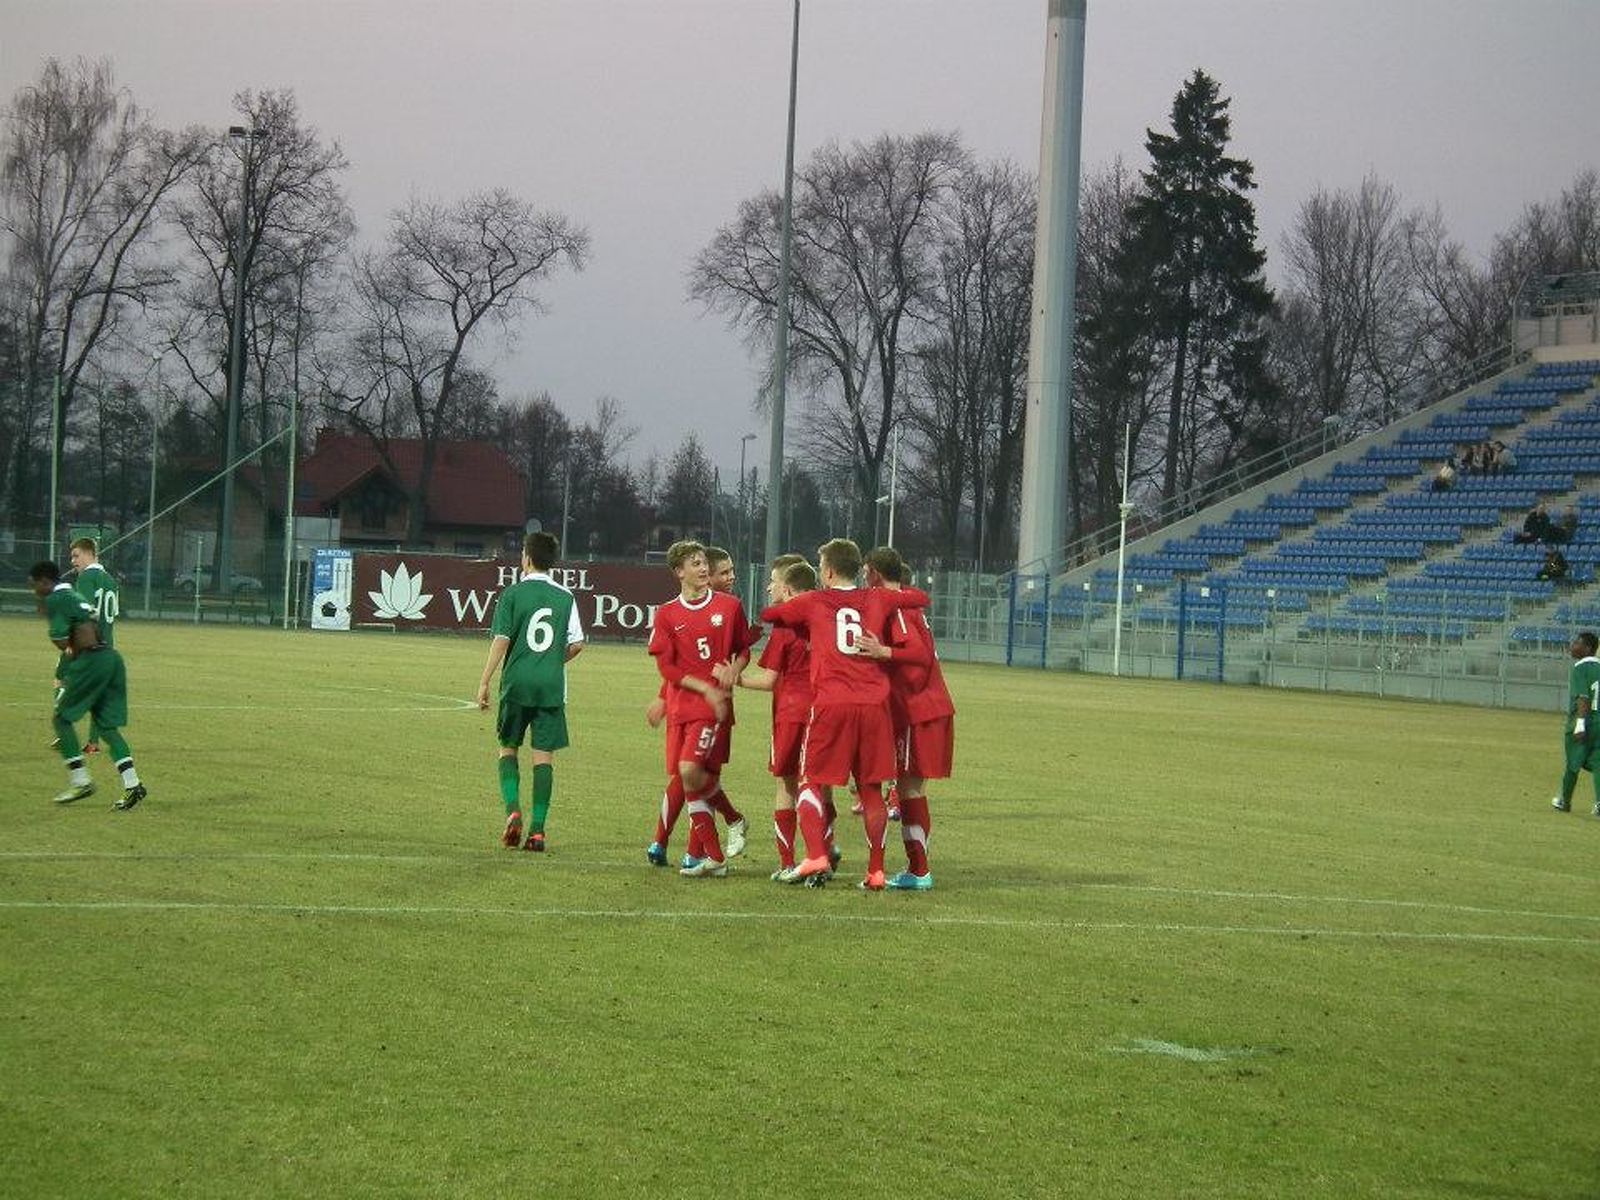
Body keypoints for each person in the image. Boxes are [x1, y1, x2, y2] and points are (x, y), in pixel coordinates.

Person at [759, 537, 927, 890]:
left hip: (832, 704)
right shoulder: (877, 597)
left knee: (808, 780)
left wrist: (797, 606)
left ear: (830, 571)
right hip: (874, 706)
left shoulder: (815, 601)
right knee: (870, 788)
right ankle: (876, 871)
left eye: (821, 568)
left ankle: (817, 853)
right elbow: (920, 599)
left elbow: (770, 614)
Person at [647, 540, 754, 878]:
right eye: (695, 563)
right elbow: (668, 668)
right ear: (679, 572)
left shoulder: (730, 606)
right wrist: (671, 697)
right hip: (682, 708)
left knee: (691, 772)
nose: (703, 568)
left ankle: (707, 849)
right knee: (689, 777)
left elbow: (743, 651)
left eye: (704, 562)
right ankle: (719, 845)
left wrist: (732, 673)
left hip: (713, 708)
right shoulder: (666, 614)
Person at [475, 532, 585, 852]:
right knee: (543, 757)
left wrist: (484, 681)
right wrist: (552, 660)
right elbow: (577, 644)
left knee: (508, 748)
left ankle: (513, 810)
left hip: (517, 682)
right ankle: (537, 832)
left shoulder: (512, 594)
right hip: (550, 686)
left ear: (526, 557)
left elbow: (501, 640)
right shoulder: (566, 596)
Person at [856, 548, 955, 891]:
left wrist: (884, 653)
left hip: (918, 710)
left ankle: (920, 869)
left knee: (910, 789)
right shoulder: (905, 603)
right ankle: (918, 868)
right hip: (925, 708)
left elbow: (920, 655)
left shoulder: (895, 607)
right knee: (911, 788)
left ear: (871, 572)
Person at [27, 560, 147, 810]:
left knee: (61, 720)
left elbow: (62, 640)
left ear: (44, 582)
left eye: (34, 585)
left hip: (91, 661)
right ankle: (133, 784)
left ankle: (81, 781)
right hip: (111, 658)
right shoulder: (72, 593)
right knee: (106, 728)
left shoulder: (56, 600)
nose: (33, 590)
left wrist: (45, 611)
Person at [736, 556, 820, 880]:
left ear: (786, 589)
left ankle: (787, 863)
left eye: (773, 581)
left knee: (786, 786)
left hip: (791, 713)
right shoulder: (826, 620)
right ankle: (821, 858)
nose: (769, 586)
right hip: (824, 712)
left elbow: (770, 680)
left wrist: (736, 679)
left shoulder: (785, 627)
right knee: (816, 787)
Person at [67, 537, 120, 756]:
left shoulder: (87, 578)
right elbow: (112, 615)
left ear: (90, 554)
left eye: (76, 555)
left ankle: (64, 733)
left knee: (63, 681)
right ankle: (93, 742)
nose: (73, 561)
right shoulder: (110, 580)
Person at [1551, 631, 1600, 817]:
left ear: (1587, 648)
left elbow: (1583, 697)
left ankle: (1565, 800)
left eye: (1577, 643)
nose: (1573, 646)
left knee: (1573, 762)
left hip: (1585, 721)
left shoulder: (1581, 668)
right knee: (1599, 763)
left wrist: (1580, 723)